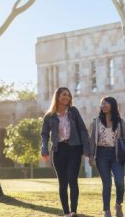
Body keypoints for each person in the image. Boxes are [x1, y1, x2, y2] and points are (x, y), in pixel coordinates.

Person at [41, 87, 90, 217]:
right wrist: (44, 149)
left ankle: (73, 211)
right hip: (58, 150)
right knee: (62, 182)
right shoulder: (49, 116)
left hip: (74, 148)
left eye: (68, 95)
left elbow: (83, 130)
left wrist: (86, 149)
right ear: (57, 96)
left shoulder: (73, 111)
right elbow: (44, 134)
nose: (67, 97)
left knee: (72, 180)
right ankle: (66, 212)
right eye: (64, 95)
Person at [89, 97, 125, 217]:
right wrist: (91, 156)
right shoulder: (96, 121)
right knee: (107, 183)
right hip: (101, 155)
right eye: (101, 104)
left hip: (117, 155)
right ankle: (106, 210)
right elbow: (92, 141)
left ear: (112, 105)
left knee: (120, 182)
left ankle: (118, 204)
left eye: (106, 103)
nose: (103, 105)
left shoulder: (120, 121)